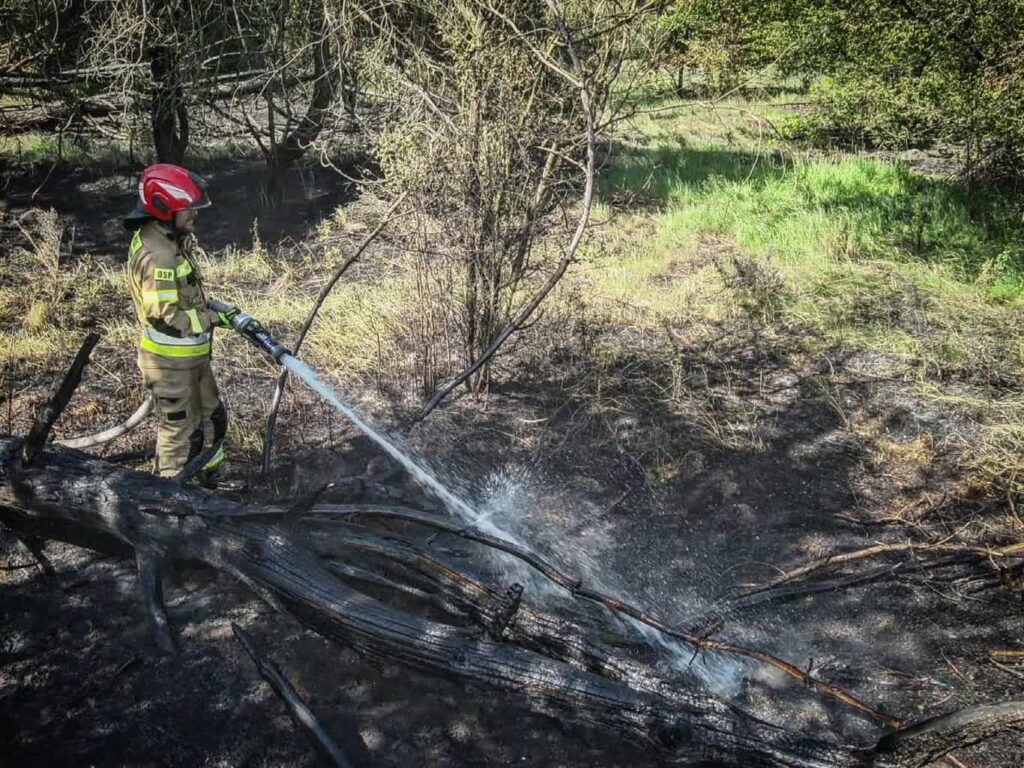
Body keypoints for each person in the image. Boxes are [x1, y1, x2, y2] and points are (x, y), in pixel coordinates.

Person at [123, 163, 239, 484]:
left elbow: (183, 295)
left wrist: (213, 310)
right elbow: (164, 314)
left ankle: (211, 479)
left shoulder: (166, 238)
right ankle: (167, 502)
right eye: (188, 209)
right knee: (179, 431)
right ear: (164, 207)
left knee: (212, 418)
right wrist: (211, 318)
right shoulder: (157, 254)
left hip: (190, 357)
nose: (194, 215)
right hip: (170, 363)